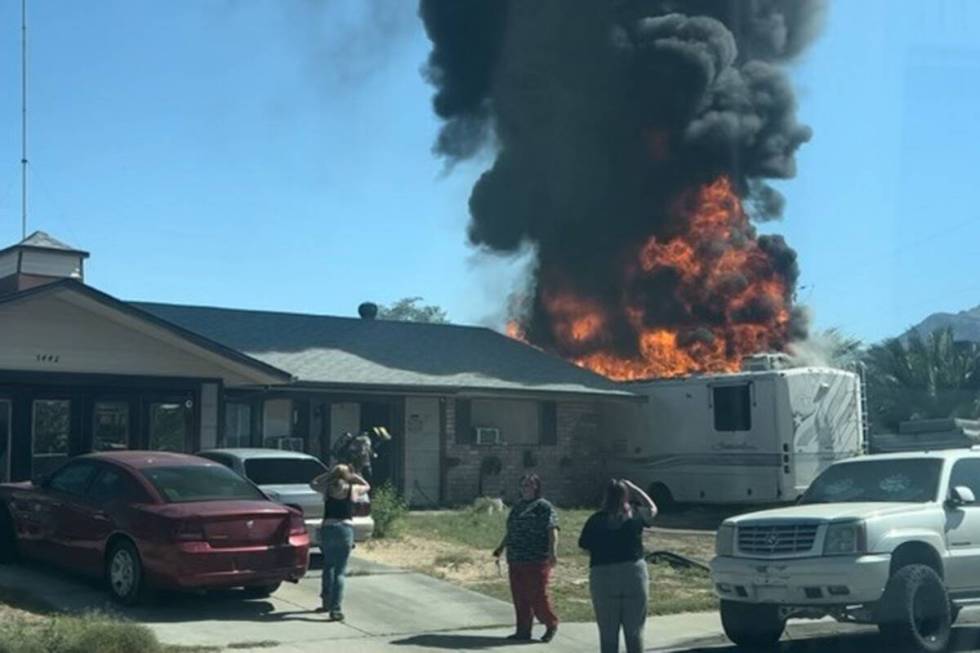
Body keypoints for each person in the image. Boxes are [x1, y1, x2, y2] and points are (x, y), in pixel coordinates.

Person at [578, 479, 658, 653]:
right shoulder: (636, 514)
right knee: (635, 632)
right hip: (633, 574)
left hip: (603, 575)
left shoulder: (595, 520)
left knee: (608, 634)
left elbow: (584, 546)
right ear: (626, 496)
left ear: (606, 496)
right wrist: (635, 488)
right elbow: (653, 509)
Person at [492, 474, 560, 643]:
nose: (526, 488)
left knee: (537, 595)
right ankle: (523, 631)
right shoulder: (518, 507)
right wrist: (501, 547)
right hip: (516, 558)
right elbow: (512, 531)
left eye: (530, 485)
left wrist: (553, 553)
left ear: (537, 487)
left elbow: (553, 530)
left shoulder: (544, 507)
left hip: (536, 559)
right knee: (520, 596)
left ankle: (550, 623)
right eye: (523, 485)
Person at [310, 463, 370, 621]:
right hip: (345, 528)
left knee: (328, 565)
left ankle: (326, 602)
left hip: (328, 527)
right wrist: (353, 474)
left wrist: (328, 474)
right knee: (340, 570)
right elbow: (367, 485)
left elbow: (313, 483)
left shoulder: (328, 489)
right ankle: (336, 609)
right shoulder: (352, 489)